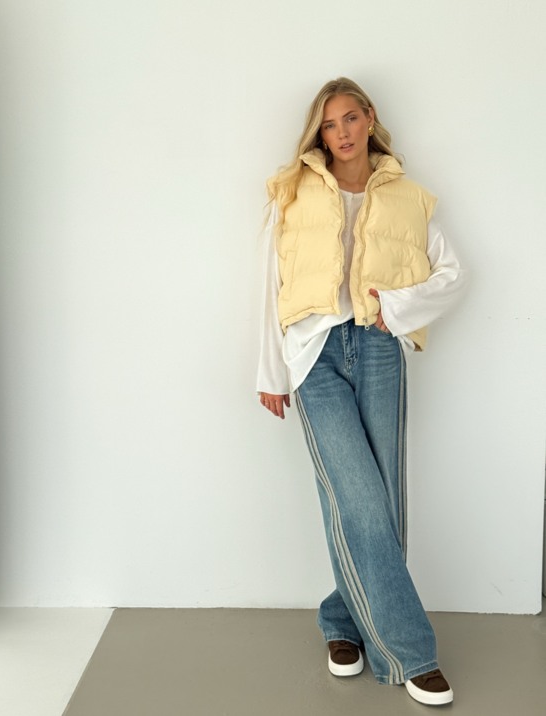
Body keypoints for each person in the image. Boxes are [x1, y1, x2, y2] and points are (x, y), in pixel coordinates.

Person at [256, 77, 465, 707]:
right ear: (318, 134)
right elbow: (267, 280)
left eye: (350, 118)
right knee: (359, 497)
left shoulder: (407, 195)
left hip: (377, 348)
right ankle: (411, 653)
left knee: (382, 501)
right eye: (329, 124)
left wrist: (395, 306)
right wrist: (270, 372)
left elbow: (454, 274)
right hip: (313, 353)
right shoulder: (292, 192)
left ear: (369, 118)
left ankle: (340, 618)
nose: (342, 132)